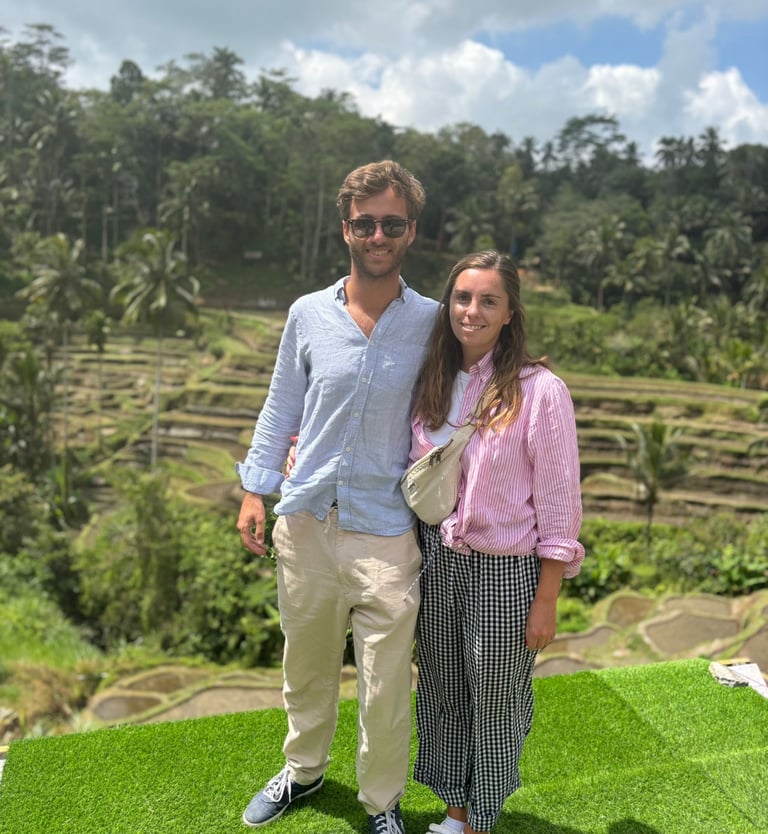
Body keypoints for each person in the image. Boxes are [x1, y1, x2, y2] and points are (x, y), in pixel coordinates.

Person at [235, 160, 439, 834]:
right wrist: (256, 490)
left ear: (411, 231)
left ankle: (382, 803)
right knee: (307, 667)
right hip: (307, 524)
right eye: (365, 224)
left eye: (392, 224)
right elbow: (280, 407)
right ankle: (303, 771)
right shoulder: (308, 315)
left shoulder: (433, 322)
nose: (378, 236)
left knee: (385, 686)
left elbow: (474, 386)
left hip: (388, 530)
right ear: (345, 228)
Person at [408, 250, 585, 834]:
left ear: (510, 313)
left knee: (497, 700)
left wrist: (547, 597)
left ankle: (482, 818)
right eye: (463, 298)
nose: (472, 311)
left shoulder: (541, 391)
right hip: (437, 559)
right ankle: (454, 811)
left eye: (489, 301)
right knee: (442, 688)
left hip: (505, 572)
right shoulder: (434, 378)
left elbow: (559, 500)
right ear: (448, 304)